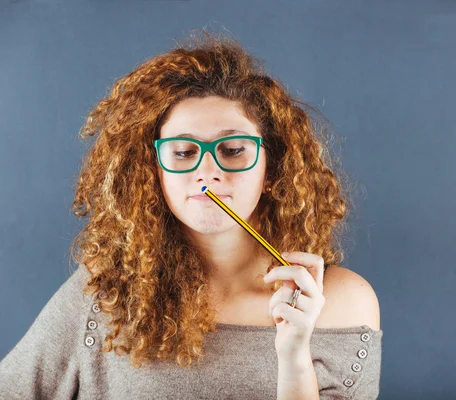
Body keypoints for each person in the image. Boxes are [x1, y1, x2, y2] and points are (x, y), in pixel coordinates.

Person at [0, 30, 382, 399]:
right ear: (154, 174)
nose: (208, 171)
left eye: (233, 149)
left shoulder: (342, 302)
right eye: (183, 152)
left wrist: (294, 355)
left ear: (273, 169)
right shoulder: (108, 292)